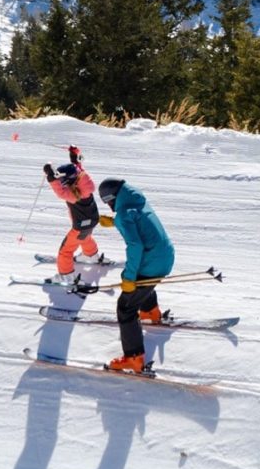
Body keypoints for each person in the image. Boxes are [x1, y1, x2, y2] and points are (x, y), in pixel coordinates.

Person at [98, 177, 175, 373]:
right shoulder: (137, 200)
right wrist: (116, 222)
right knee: (145, 284)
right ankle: (150, 312)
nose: (108, 206)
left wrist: (129, 277)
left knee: (126, 307)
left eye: (107, 202)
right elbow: (138, 222)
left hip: (152, 261)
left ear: (111, 198)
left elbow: (135, 246)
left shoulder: (124, 214)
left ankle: (134, 358)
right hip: (165, 256)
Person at [43, 145, 100, 287]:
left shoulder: (73, 195)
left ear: (68, 182)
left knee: (65, 251)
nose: (61, 183)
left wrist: (51, 176)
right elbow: (77, 168)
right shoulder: (83, 180)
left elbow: (59, 192)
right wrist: (74, 155)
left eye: (63, 181)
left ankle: (66, 275)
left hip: (79, 226)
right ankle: (91, 256)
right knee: (85, 237)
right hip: (92, 221)